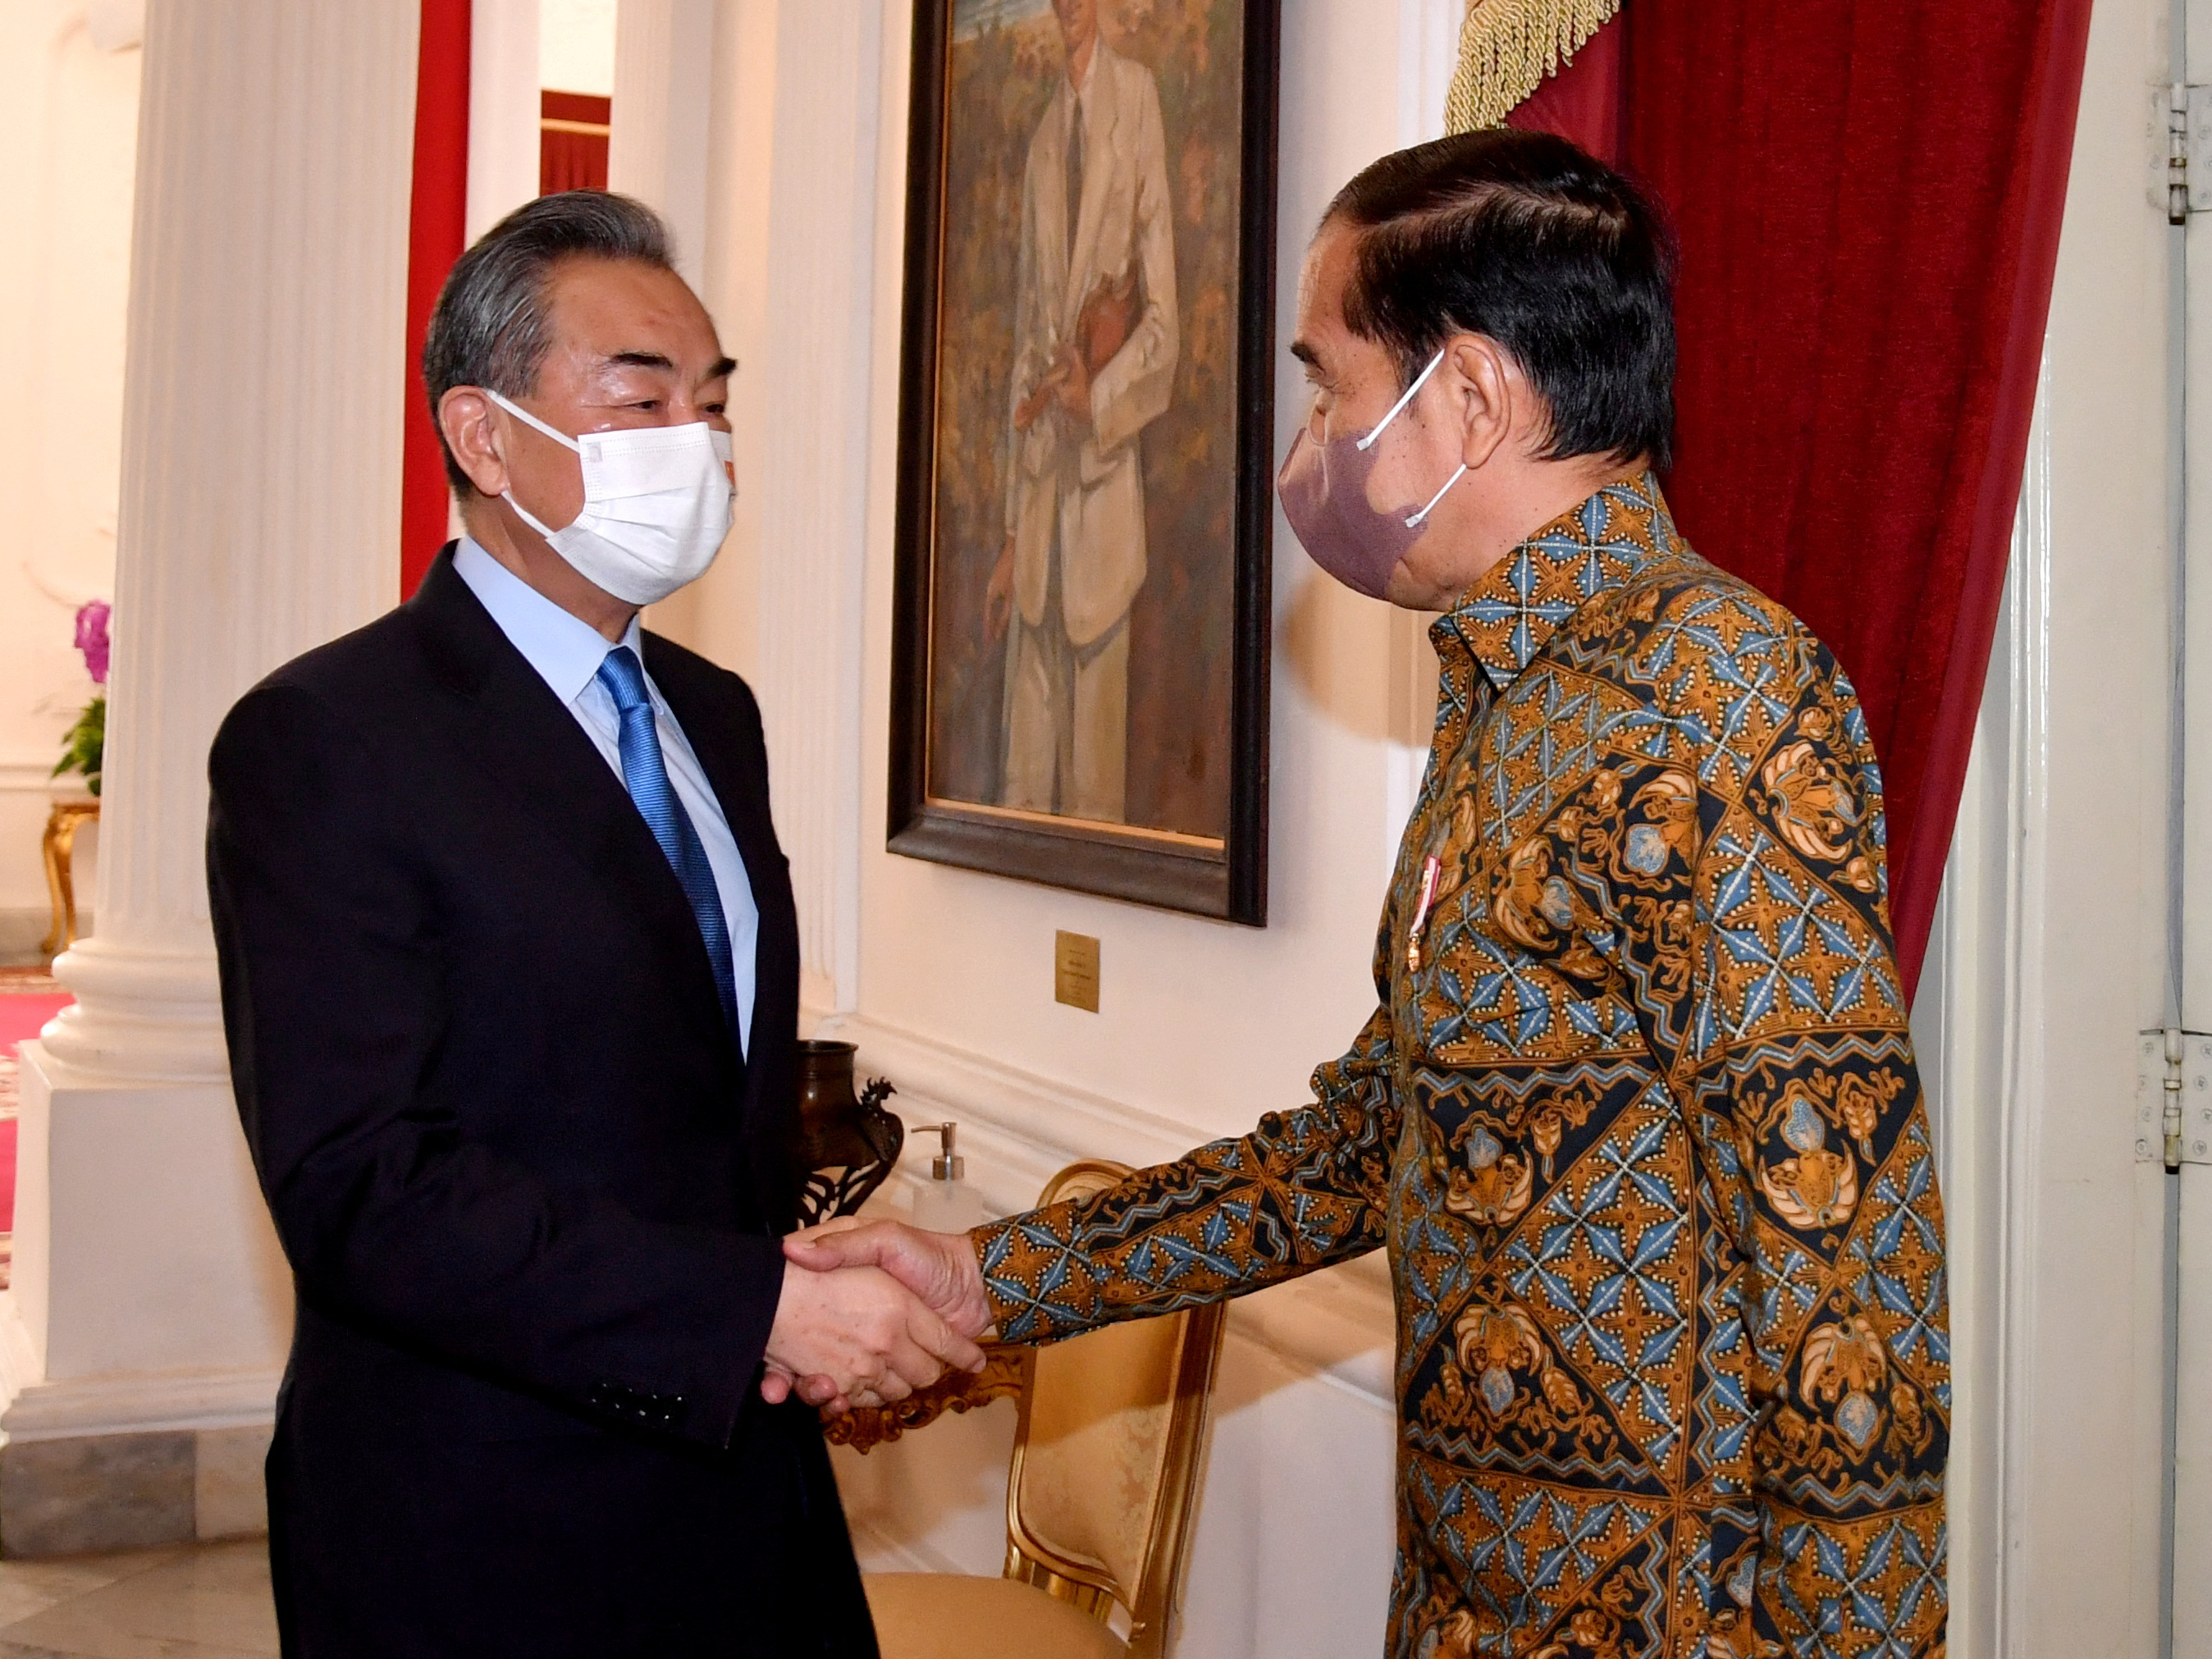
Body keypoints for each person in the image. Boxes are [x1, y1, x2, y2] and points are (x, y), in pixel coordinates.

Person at [788, 131, 1951, 1658]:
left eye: (1332, 385)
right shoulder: (1504, 695)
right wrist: (985, 1274)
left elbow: (1847, 1250)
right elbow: (1369, 1141)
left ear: (1469, 396)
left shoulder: (1719, 693)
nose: (1317, 438)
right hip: (1474, 1593)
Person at [207, 191, 979, 1658]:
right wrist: (750, 1309)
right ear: (484, 436)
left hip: (744, 1488)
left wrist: (808, 1298)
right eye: (642, 398)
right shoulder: (328, 737)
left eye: (713, 402)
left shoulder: (712, 712)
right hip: (480, 1522)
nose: (699, 442)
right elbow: (361, 1183)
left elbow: (695, 1098)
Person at [989, 0, 1178, 822]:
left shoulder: (1136, 100)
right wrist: (1009, 537)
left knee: (1096, 805)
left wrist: (1093, 400)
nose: (1066, 6)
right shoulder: (1041, 141)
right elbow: (1022, 347)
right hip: (1037, 523)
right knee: (1023, 798)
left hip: (1100, 509)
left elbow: (1163, 322)